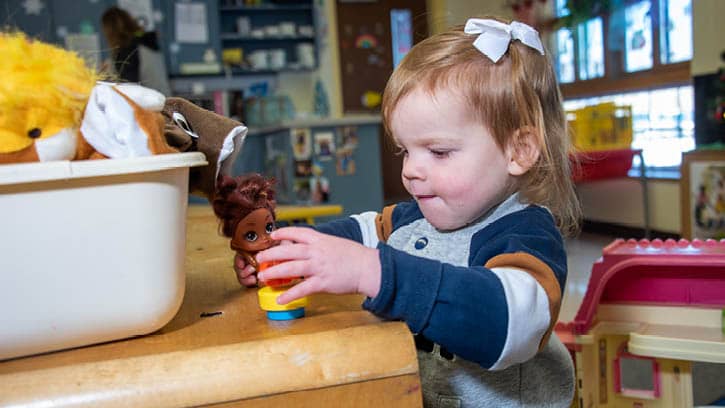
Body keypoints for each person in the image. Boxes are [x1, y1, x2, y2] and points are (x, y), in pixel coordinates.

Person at [236, 17, 581, 407]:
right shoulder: (414, 217)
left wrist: (374, 271)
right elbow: (362, 232)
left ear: (519, 151)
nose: (410, 170)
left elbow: (510, 324)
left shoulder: (525, 235)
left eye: (438, 152)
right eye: (405, 150)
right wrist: (287, 250)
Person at [101, 6, 171, 95]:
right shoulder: (146, 42)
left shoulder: (128, 51)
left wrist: (107, 74)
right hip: (163, 99)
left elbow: (128, 89)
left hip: (150, 104)